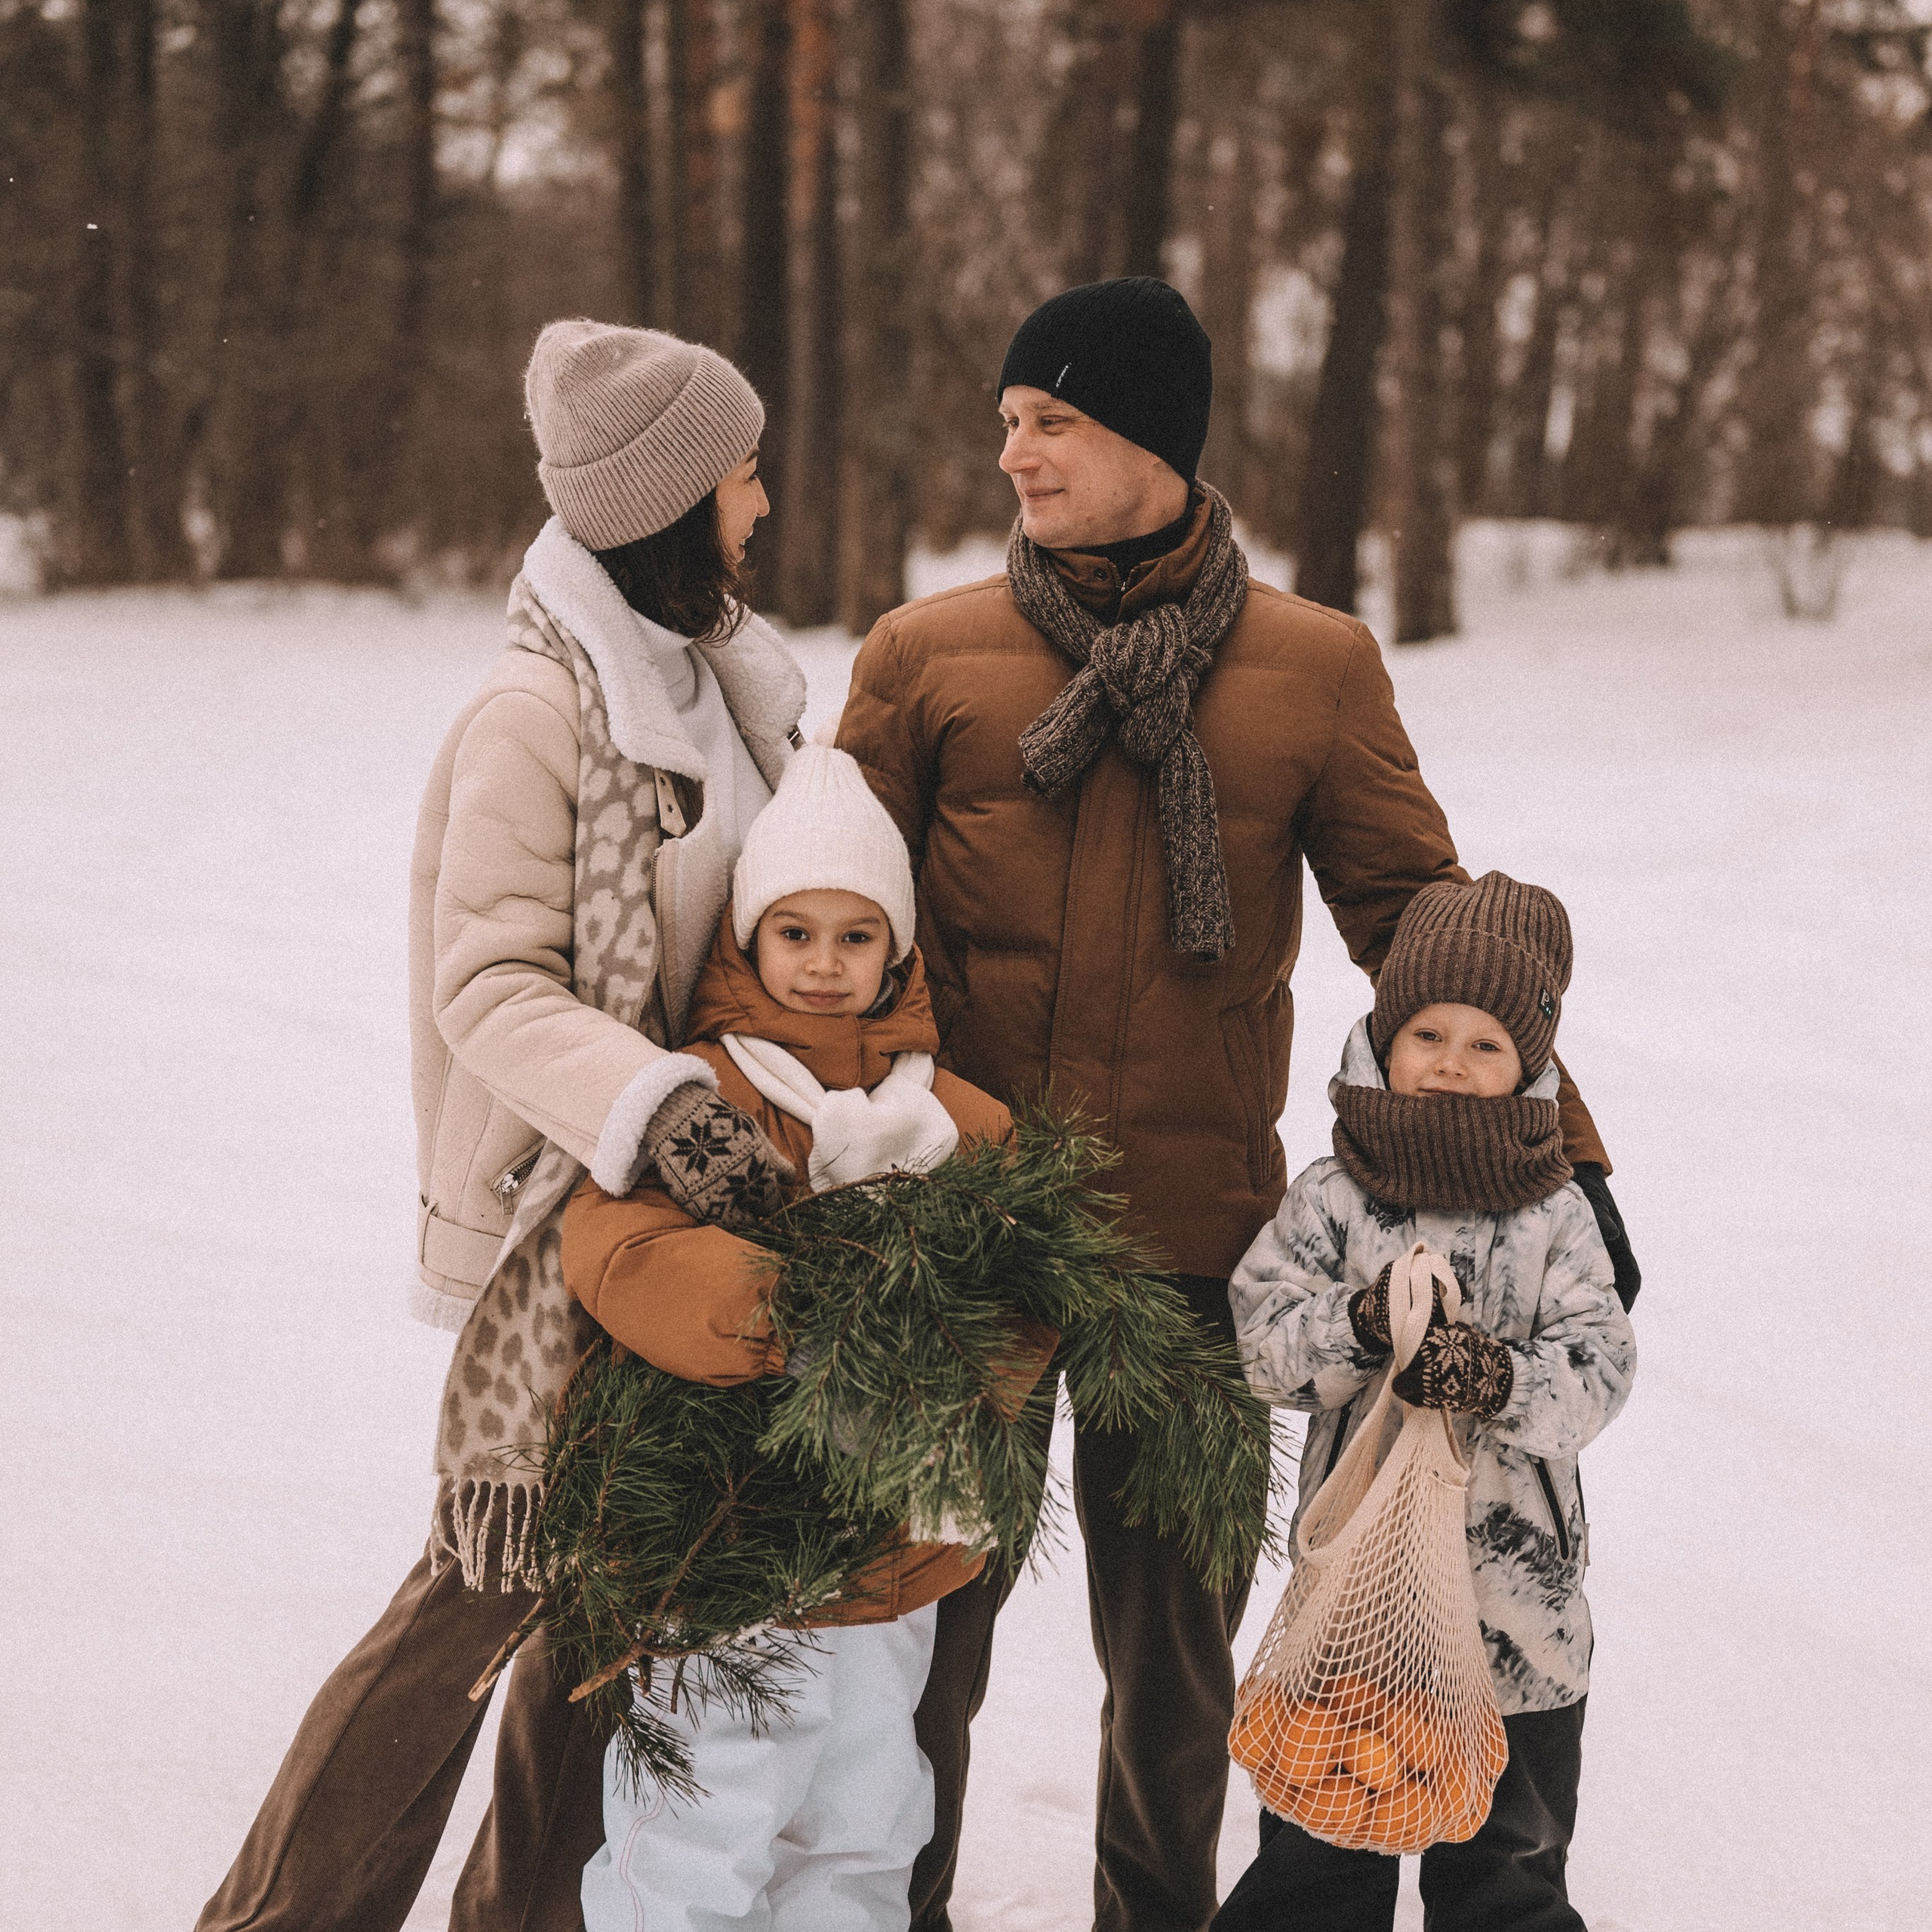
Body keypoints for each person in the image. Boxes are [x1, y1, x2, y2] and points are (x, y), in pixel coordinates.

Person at [835, 275, 1638, 1932]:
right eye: (1006, 423)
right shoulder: (924, 660)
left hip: (1195, 1244)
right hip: (963, 1236)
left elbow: (1434, 942)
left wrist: (1568, 1157)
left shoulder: (1310, 669)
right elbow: (832, 936)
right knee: (914, 1633)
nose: (1016, 457)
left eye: (1050, 420)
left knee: (1175, 1677)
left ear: (1149, 437)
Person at [196, 320, 805, 1932]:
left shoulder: (716, 685)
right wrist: (663, 1105)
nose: (763, 502)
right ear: (674, 498)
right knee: (476, 1597)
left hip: (684, 1221)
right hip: (572, 1207)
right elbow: (490, 987)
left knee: (610, 1606)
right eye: (743, 473)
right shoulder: (539, 712)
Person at [561, 744, 1054, 1932]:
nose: (826, 965)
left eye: (855, 935)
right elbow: (615, 1249)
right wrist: (793, 1308)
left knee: (865, 1822)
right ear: (746, 939)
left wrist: (947, 1357)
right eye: (795, 933)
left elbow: (1034, 1289)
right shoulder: (699, 1094)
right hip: (725, 1537)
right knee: (703, 1817)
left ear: (898, 949)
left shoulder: (957, 1119)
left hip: (895, 1560)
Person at [1213, 872, 1637, 1930]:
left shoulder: (1558, 1214)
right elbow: (1263, 1342)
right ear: (1383, 1037)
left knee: (1507, 1878)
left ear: (1530, 1066)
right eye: (1428, 1033)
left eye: (1486, 1044)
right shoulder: (1334, 1195)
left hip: (1515, 1626)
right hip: (1358, 1616)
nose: (1451, 1061)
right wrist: (1358, 1326)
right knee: (1318, 1866)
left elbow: (1598, 1367)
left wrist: (1498, 1379)